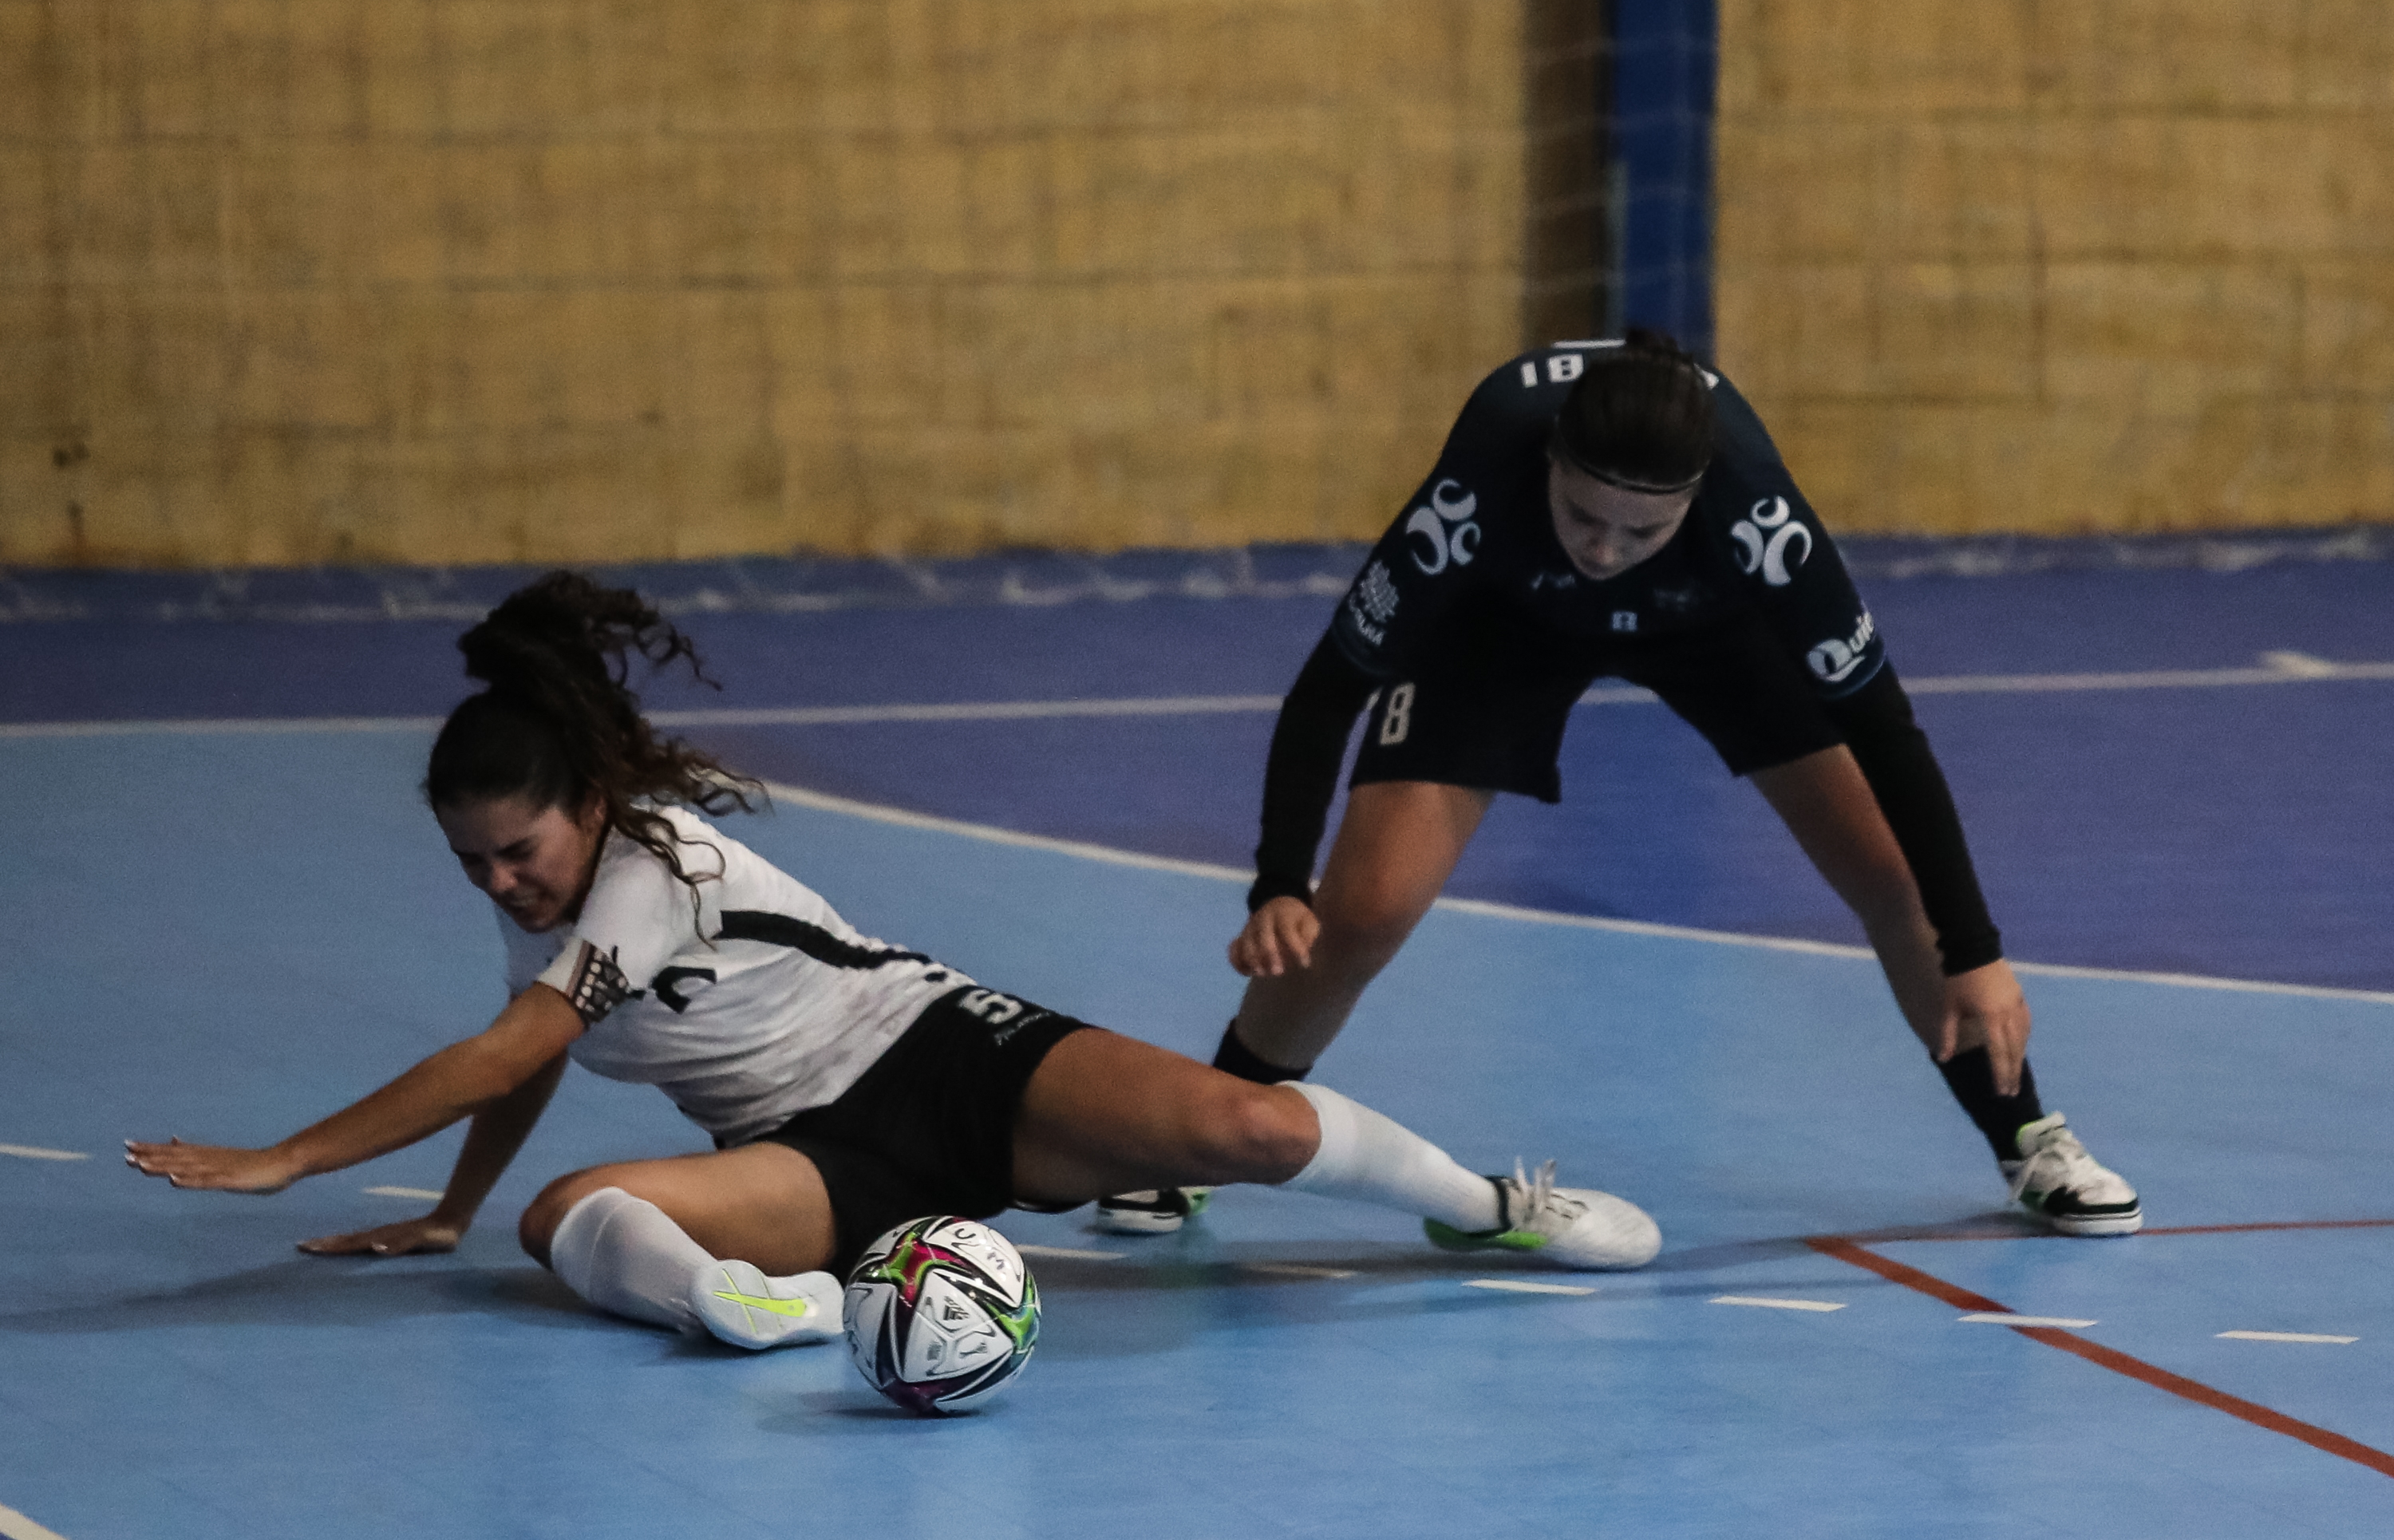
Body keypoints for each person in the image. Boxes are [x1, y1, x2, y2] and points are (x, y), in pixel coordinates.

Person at [126, 574, 1661, 1354]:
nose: (500, 878)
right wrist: (456, 1206)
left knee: (1244, 1127)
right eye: (473, 861)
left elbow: (516, 1045)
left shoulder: (648, 862)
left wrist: (288, 1159)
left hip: (945, 1053)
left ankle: (1488, 1209)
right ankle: (753, 1308)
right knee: (565, 1216)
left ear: (588, 803)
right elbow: (529, 1040)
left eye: (517, 848)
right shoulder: (548, 906)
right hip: (816, 1156)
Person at [1096, 330, 2140, 1239]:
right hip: (1503, 624)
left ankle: (2026, 1138)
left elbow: (1887, 729)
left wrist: (1980, 949)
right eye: (1584, 516)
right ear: (1548, 462)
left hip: (1713, 627)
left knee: (1898, 882)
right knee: (1362, 912)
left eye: (1640, 531)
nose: (1605, 549)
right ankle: (1212, 1128)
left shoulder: (1758, 520)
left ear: (1695, 498)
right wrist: (1279, 879)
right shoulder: (1478, 485)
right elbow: (1332, 685)